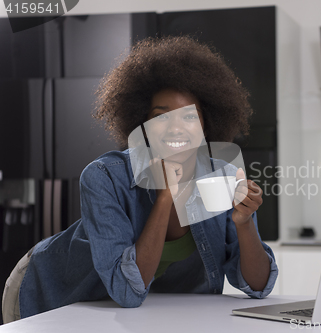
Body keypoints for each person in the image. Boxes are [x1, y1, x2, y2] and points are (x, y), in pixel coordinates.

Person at [1, 36, 278, 323]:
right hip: (51, 295)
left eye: (188, 117)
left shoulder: (223, 177)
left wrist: (244, 224)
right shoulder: (105, 176)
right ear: (142, 127)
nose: (175, 129)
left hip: (146, 317)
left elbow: (258, 287)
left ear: (206, 125)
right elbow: (127, 292)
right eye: (161, 117)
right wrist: (165, 196)